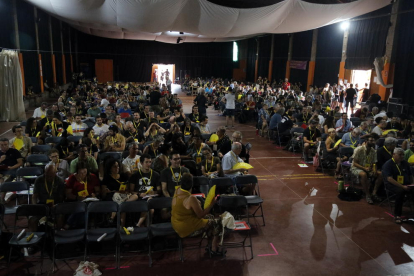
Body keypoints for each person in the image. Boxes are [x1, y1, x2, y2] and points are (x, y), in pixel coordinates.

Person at [171, 173, 224, 256]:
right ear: (192, 184)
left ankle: (210, 246)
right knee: (217, 222)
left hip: (176, 223)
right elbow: (201, 215)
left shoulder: (177, 190)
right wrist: (212, 204)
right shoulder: (191, 198)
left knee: (210, 217)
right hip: (186, 227)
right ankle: (214, 248)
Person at [382, 148, 414, 224]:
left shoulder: (405, 163)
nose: (402, 156)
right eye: (400, 155)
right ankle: (397, 215)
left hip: (406, 184)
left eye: (403, 155)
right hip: (392, 185)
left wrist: (412, 184)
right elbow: (389, 179)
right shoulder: (388, 164)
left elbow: (410, 175)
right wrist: (402, 187)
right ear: (394, 155)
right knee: (401, 192)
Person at [30, 163, 65, 230]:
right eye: (47, 175)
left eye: (51, 176)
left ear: (55, 173)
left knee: (60, 217)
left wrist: (56, 205)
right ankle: (36, 236)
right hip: (42, 204)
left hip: (55, 205)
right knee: (32, 219)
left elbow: (61, 197)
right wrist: (35, 206)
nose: (48, 177)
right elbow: (34, 196)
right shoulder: (39, 180)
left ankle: (57, 233)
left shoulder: (59, 181)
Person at [129, 154, 161, 227]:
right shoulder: (135, 175)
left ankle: (141, 226)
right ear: (141, 163)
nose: (148, 164)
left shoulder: (156, 174)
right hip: (140, 197)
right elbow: (131, 190)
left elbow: (159, 190)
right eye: (146, 162)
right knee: (149, 208)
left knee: (150, 205)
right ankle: (144, 227)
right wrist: (139, 194)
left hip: (151, 197)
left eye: (150, 162)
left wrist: (154, 192)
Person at [351, 134, 382, 204]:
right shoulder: (359, 149)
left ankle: (374, 193)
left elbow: (374, 163)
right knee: (363, 174)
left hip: (368, 168)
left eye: (374, 141)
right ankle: (367, 195)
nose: (373, 142)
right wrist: (364, 168)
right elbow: (354, 163)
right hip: (357, 168)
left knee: (380, 174)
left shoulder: (373, 151)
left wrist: (374, 170)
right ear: (366, 141)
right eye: (371, 140)